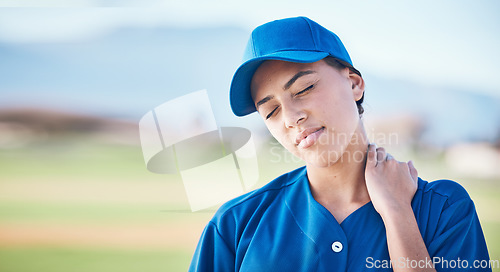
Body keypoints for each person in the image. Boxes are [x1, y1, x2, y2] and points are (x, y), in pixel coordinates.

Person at [189, 16, 491, 272]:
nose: (291, 118)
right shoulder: (234, 226)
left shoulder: (444, 210)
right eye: (271, 111)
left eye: (304, 88)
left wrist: (398, 213)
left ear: (354, 84)